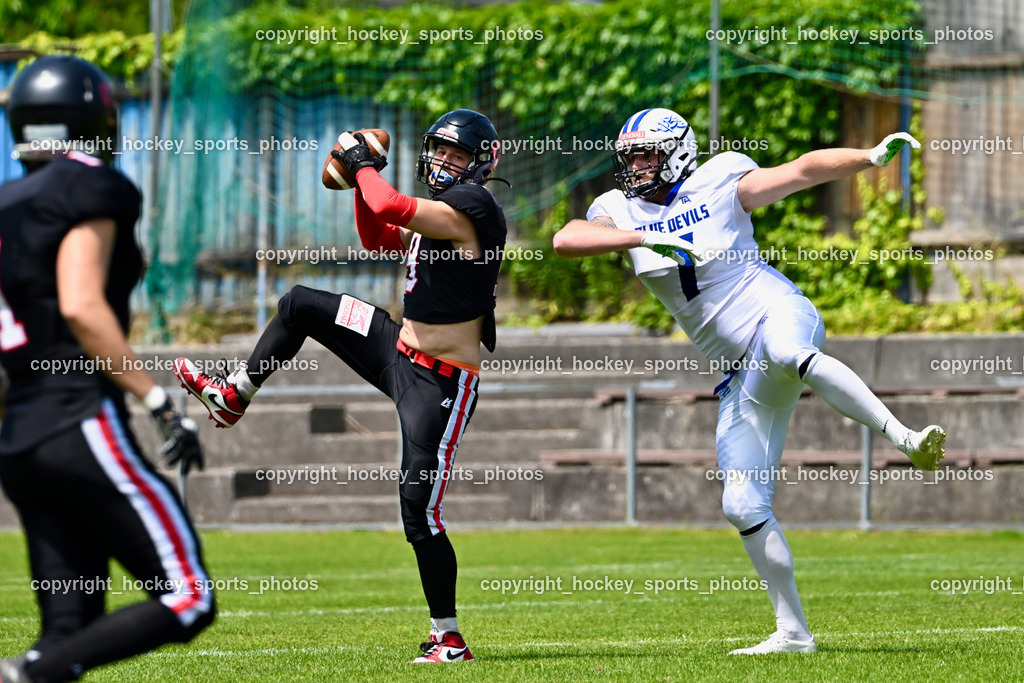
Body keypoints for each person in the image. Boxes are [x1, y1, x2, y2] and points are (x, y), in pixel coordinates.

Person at [553, 108, 946, 655]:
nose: (635, 166)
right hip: (741, 369)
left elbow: (801, 170)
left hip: (777, 311)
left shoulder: (718, 180)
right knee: (742, 503)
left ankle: (905, 437)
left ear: (677, 152)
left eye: (645, 155)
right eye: (630, 157)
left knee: (788, 351)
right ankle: (794, 633)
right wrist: (644, 237)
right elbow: (566, 239)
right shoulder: (618, 209)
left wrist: (869, 156)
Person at [173, 109, 507, 663]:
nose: (445, 162)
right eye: (440, 151)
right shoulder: (442, 211)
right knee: (301, 303)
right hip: (398, 350)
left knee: (418, 512)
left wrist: (361, 164)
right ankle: (234, 395)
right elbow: (378, 235)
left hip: (440, 383)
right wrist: (358, 181)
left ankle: (448, 638)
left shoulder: (475, 204)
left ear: (481, 164)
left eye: (458, 155)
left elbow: (390, 206)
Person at [0, 56, 213, 683]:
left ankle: (32, 671)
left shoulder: (8, 202)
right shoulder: (89, 186)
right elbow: (81, 305)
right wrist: (157, 401)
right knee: (188, 596)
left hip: (21, 437)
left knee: (66, 635)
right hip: (78, 418)